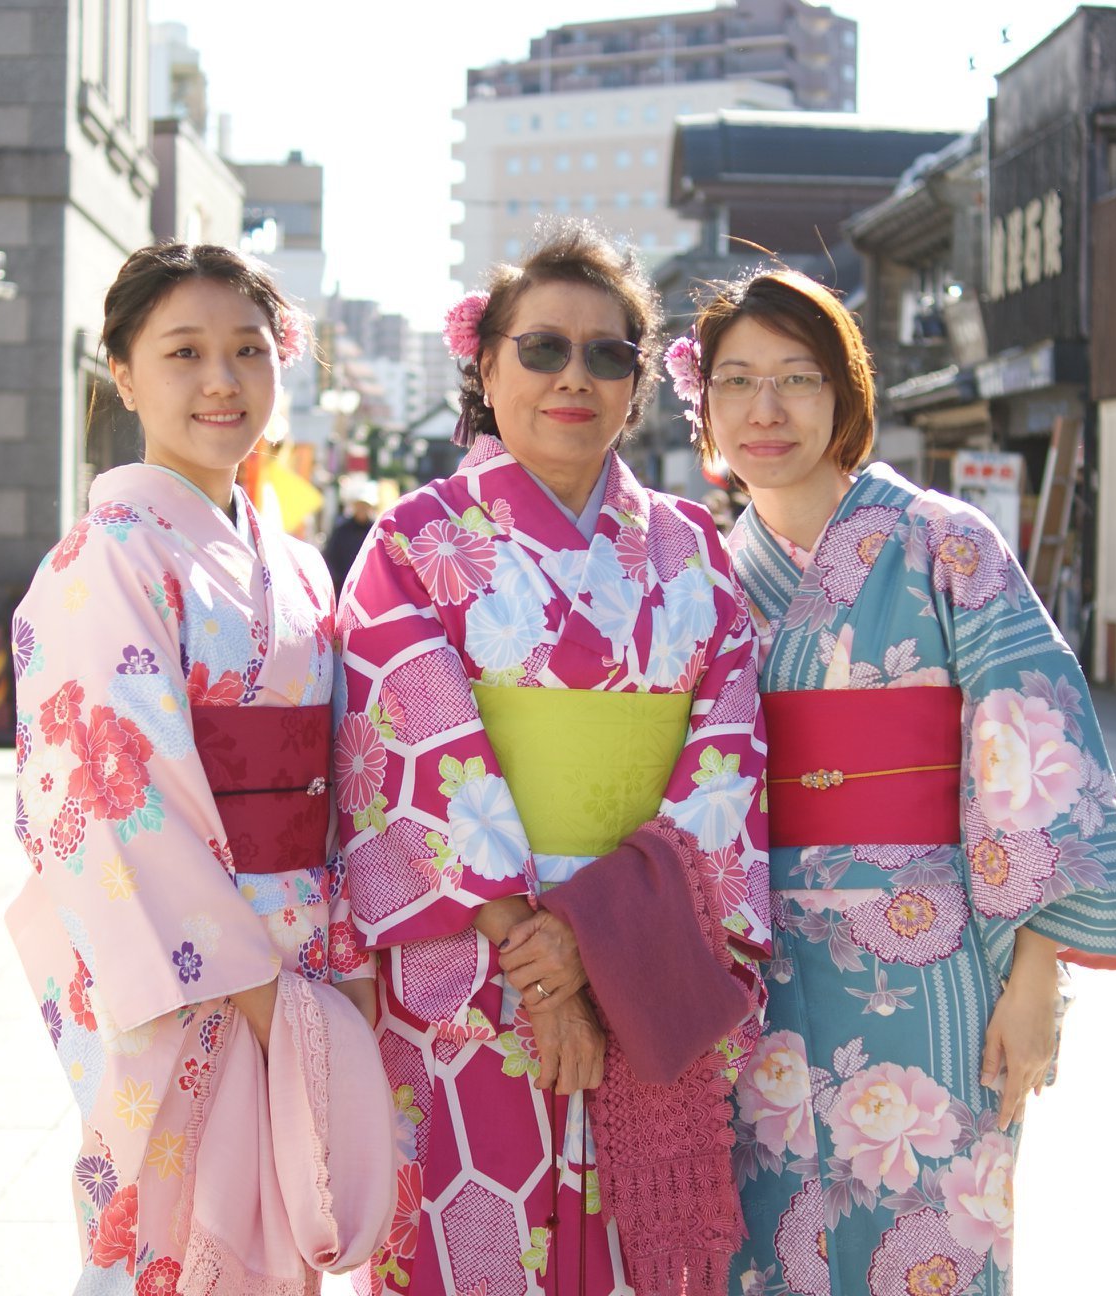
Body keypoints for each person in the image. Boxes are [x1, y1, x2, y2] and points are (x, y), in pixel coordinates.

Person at [690, 268, 1116, 1296]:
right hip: (751, 967)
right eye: (735, 381)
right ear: (703, 405)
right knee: (766, 1241)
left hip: (932, 950)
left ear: (846, 396)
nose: (764, 410)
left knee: (932, 1239)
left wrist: (1038, 975)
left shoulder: (945, 542)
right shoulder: (696, 572)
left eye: (797, 379)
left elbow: (1033, 755)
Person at [337, 223, 770, 1296]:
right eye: (541, 349)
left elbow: (722, 768)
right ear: (484, 368)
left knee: (638, 1243)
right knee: (469, 1227)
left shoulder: (691, 550)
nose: (573, 376)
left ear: (638, 384)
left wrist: (598, 941)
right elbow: (411, 743)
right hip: (473, 961)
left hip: (645, 946)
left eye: (607, 353)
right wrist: (538, 951)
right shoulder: (415, 540)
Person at [7, 243, 393, 1293]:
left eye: (247, 350)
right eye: (183, 352)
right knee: (174, 1236)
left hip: (304, 945)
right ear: (123, 373)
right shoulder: (107, 557)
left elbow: (347, 771)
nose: (221, 380)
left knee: (280, 1239)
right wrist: (253, 986)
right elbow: (101, 793)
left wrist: (336, 962)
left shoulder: (302, 566)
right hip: (187, 966)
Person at [323, 477, 378, 592]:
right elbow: (330, 557)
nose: (362, 509)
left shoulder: (376, 531)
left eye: (365, 506)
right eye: (359, 505)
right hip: (343, 587)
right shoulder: (342, 530)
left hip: (369, 588)